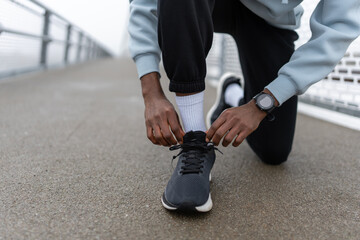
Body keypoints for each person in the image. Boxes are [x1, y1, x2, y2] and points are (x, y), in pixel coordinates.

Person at [128, 0, 360, 212]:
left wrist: (261, 104)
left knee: (274, 151)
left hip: (270, 17)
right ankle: (195, 141)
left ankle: (232, 95)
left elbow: (338, 26)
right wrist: (151, 92)